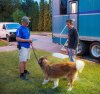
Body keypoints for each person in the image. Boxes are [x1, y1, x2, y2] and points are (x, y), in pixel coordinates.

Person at [16, 16, 32, 80]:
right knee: (22, 60)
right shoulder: (19, 29)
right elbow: (17, 38)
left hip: (28, 46)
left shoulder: (27, 28)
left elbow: (28, 38)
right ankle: (21, 74)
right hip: (22, 47)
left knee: (26, 60)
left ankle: (25, 71)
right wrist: (27, 40)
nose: (28, 23)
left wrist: (30, 41)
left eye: (28, 22)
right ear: (23, 22)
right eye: (26, 22)